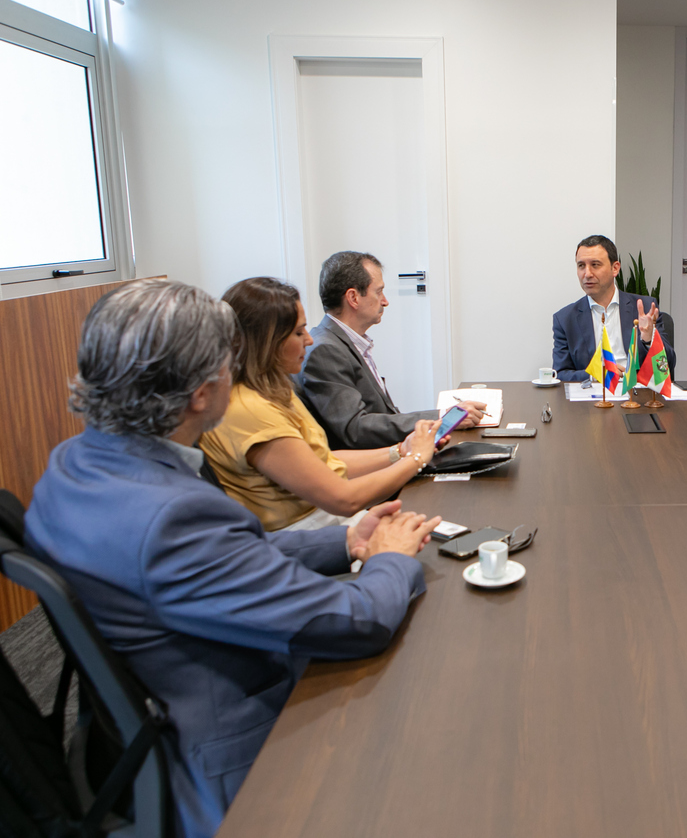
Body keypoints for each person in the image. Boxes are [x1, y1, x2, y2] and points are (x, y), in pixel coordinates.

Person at [23, 279, 435, 838]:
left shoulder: (73, 465)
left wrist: (344, 542)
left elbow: (223, 557)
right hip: (238, 750)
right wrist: (391, 558)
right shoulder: (173, 517)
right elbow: (356, 622)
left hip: (147, 718)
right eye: (228, 361)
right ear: (200, 392)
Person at [202, 277, 446, 532]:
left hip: (323, 519)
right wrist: (416, 459)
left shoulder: (274, 389)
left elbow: (322, 461)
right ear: (266, 342)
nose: (309, 340)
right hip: (305, 535)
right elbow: (344, 499)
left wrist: (400, 451)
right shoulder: (250, 410)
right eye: (298, 332)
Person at [296, 251, 483, 450]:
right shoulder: (325, 351)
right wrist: (441, 417)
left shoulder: (346, 342)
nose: (385, 301)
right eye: (379, 292)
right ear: (353, 298)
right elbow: (356, 428)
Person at [552, 234, 676, 382]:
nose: (587, 274)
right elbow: (561, 373)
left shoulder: (645, 308)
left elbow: (668, 365)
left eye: (595, 265)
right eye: (581, 266)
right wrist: (595, 374)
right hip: (592, 392)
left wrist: (650, 340)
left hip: (636, 391)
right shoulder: (565, 319)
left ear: (615, 268)